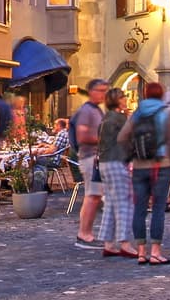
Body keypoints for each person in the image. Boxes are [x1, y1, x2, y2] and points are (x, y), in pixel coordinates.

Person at [128, 82, 170, 265]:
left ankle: (141, 251)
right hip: (161, 164)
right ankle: (156, 252)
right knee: (158, 207)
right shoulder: (167, 113)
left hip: (139, 165)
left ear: (144, 93)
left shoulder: (136, 113)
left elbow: (122, 138)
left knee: (139, 209)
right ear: (162, 94)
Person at [95, 88, 136, 259]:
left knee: (111, 203)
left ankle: (108, 243)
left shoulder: (105, 118)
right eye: (123, 97)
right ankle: (125, 243)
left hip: (104, 162)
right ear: (117, 100)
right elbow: (128, 140)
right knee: (125, 203)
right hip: (117, 161)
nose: (126, 99)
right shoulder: (120, 118)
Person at [72, 79, 109, 248]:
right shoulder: (87, 111)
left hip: (95, 158)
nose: (103, 94)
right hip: (90, 158)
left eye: (105, 90)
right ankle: (84, 234)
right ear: (91, 91)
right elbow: (82, 137)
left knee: (92, 195)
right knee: (93, 196)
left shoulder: (96, 110)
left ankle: (86, 232)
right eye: (100, 90)